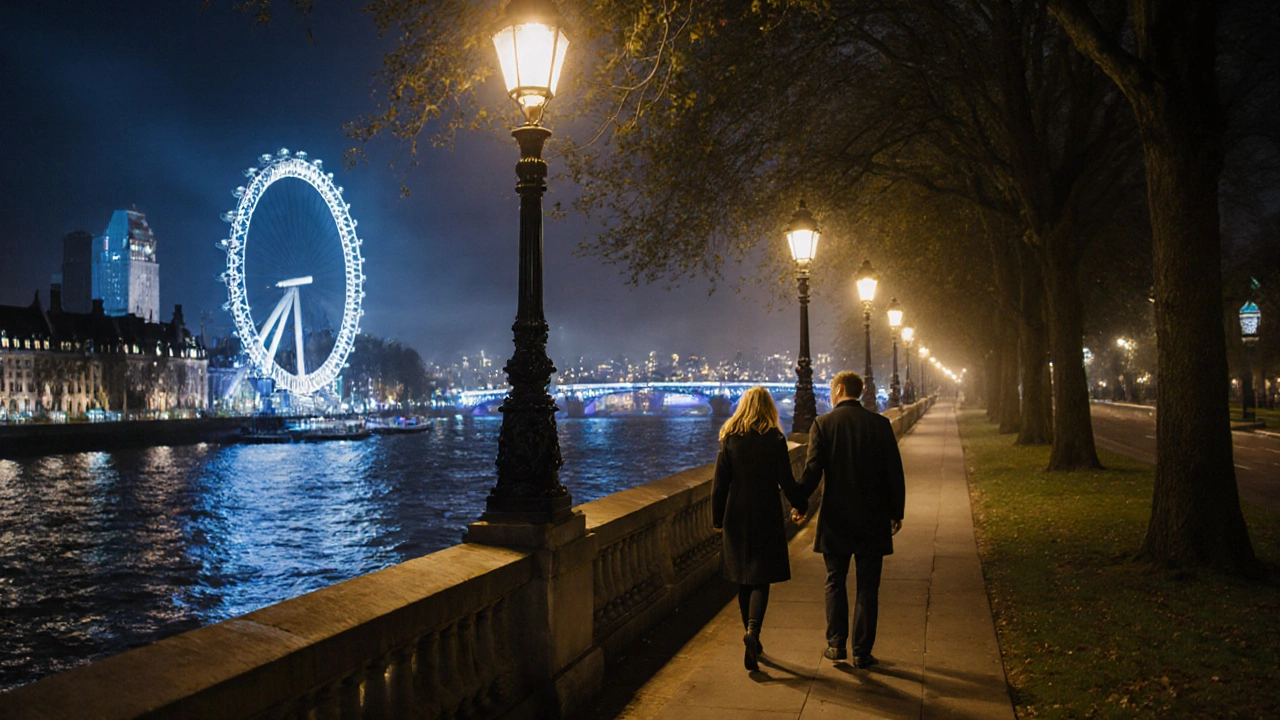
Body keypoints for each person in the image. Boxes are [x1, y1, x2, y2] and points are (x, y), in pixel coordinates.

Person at [794, 371, 905, 669]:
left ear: (840, 389)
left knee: (835, 582)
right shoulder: (880, 425)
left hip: (836, 519)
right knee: (868, 587)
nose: (830, 394)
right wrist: (897, 512)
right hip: (873, 517)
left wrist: (798, 502)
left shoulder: (823, 424)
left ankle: (836, 645)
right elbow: (894, 473)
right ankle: (862, 651)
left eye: (831, 389)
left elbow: (813, 472)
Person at [712, 386, 810, 672]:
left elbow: (720, 487)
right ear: (769, 409)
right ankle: (753, 633)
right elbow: (786, 481)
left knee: (743, 577)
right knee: (761, 578)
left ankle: (750, 636)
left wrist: (718, 520)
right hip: (765, 514)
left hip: (736, 516)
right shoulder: (775, 439)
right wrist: (800, 505)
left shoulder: (729, 439)